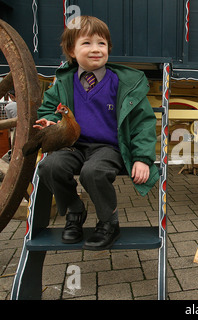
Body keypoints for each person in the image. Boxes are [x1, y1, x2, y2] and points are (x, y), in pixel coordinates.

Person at [34, 16, 159, 250]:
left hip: (108, 147)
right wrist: (50, 122)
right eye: (87, 43)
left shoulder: (122, 83)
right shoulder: (63, 83)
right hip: (73, 145)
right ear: (71, 50)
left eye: (101, 44)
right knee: (50, 167)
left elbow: (143, 123)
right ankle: (75, 210)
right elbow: (49, 110)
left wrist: (142, 158)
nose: (95, 49)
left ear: (108, 49)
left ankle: (109, 222)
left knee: (93, 172)